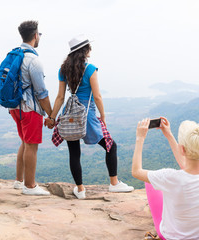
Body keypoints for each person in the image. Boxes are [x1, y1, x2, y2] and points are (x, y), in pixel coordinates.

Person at [48, 34, 134, 199]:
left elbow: (59, 97)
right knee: (110, 146)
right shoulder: (90, 69)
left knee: (74, 153)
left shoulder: (63, 70)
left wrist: (52, 118)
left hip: (70, 113)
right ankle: (114, 183)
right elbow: (97, 96)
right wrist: (102, 115)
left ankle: (80, 190)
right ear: (85, 50)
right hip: (87, 115)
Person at [132, 117, 199, 240]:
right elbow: (185, 166)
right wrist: (168, 134)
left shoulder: (171, 177)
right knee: (164, 184)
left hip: (172, 237)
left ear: (182, 149)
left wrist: (140, 138)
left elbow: (136, 172)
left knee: (150, 183)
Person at [8, 20, 54, 196]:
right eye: (39, 34)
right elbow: (42, 92)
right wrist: (51, 114)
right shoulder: (33, 60)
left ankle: (19, 181)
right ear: (35, 35)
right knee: (32, 145)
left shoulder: (14, 55)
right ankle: (30, 186)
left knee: (25, 142)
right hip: (30, 109)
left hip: (15, 108)